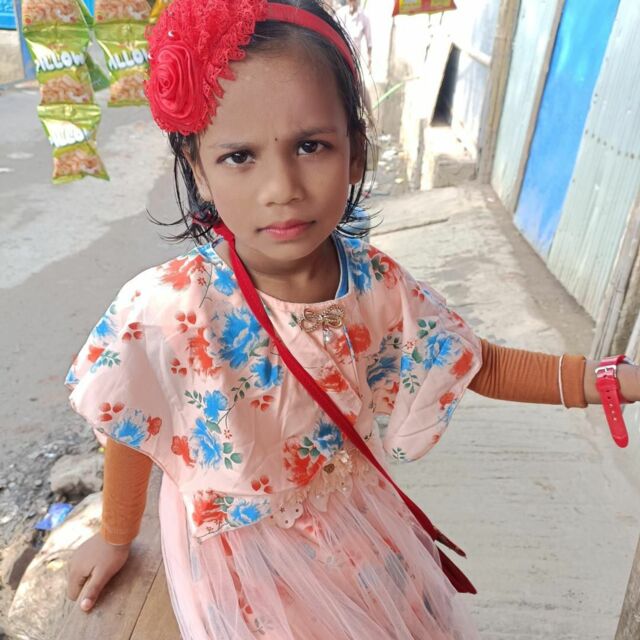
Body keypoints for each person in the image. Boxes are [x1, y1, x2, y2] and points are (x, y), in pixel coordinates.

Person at [64, 0, 638, 638]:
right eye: (240, 156)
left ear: (356, 153)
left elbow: (475, 361)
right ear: (198, 169)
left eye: (311, 146)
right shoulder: (167, 307)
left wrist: (607, 380)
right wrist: (115, 537)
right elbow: (129, 418)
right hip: (247, 560)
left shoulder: (375, 283)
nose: (282, 187)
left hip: (358, 526)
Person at [336, 0, 372, 70]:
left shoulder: (364, 17)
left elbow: (369, 41)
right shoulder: (340, 13)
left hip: (354, 59)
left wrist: (369, 58)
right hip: (341, 55)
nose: (352, 3)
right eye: (350, 1)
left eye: (354, 1)